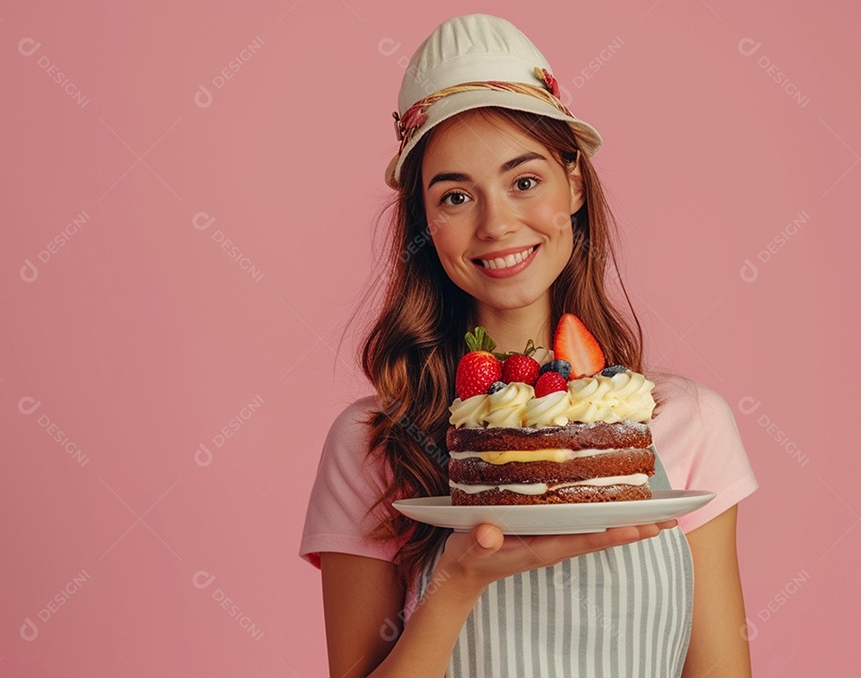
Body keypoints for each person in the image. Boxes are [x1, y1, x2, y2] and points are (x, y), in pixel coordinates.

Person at [298, 14, 758, 678]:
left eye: (524, 181)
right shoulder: (374, 444)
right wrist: (456, 580)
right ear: (426, 220)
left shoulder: (690, 423)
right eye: (456, 195)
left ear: (573, 182)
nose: (497, 224)